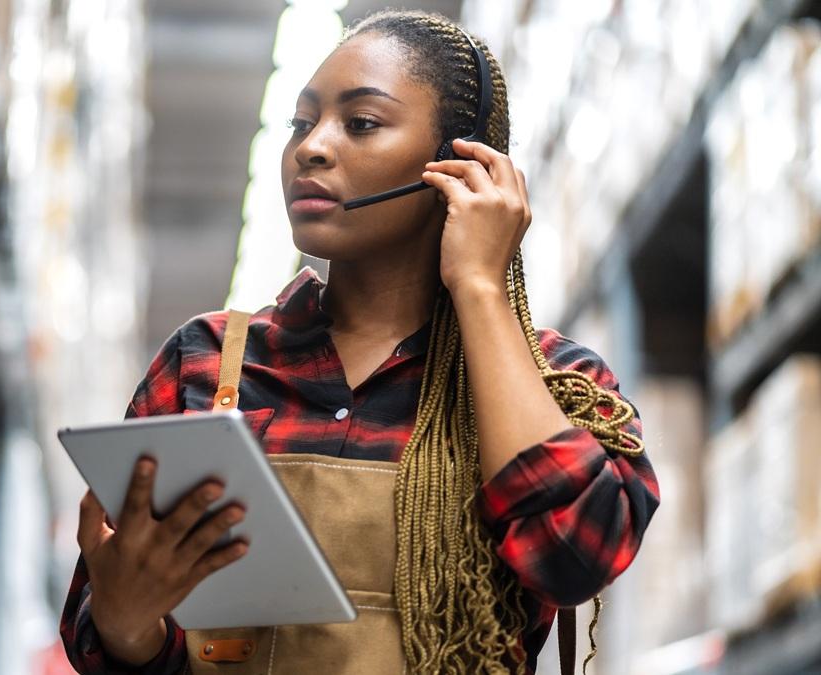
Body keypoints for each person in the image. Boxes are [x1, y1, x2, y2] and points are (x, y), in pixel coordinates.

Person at [60, 9, 660, 675]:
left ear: (458, 165)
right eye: (301, 123)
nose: (310, 148)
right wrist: (125, 622)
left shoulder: (552, 380)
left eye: (361, 122)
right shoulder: (204, 361)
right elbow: (106, 635)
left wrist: (481, 288)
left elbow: (573, 556)